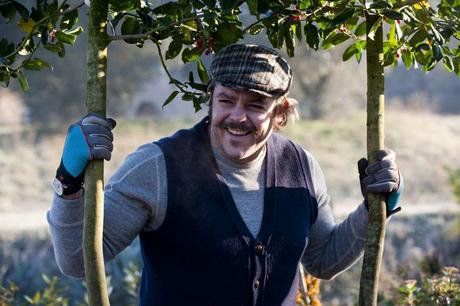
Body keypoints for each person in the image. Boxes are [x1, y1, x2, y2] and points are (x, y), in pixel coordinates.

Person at [48, 43, 403, 306]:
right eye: (227, 100)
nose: (237, 116)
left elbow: (324, 260)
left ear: (280, 112)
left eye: (255, 104)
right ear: (211, 99)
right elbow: (78, 261)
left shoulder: (301, 167)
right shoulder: (159, 167)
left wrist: (376, 209)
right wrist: (69, 178)